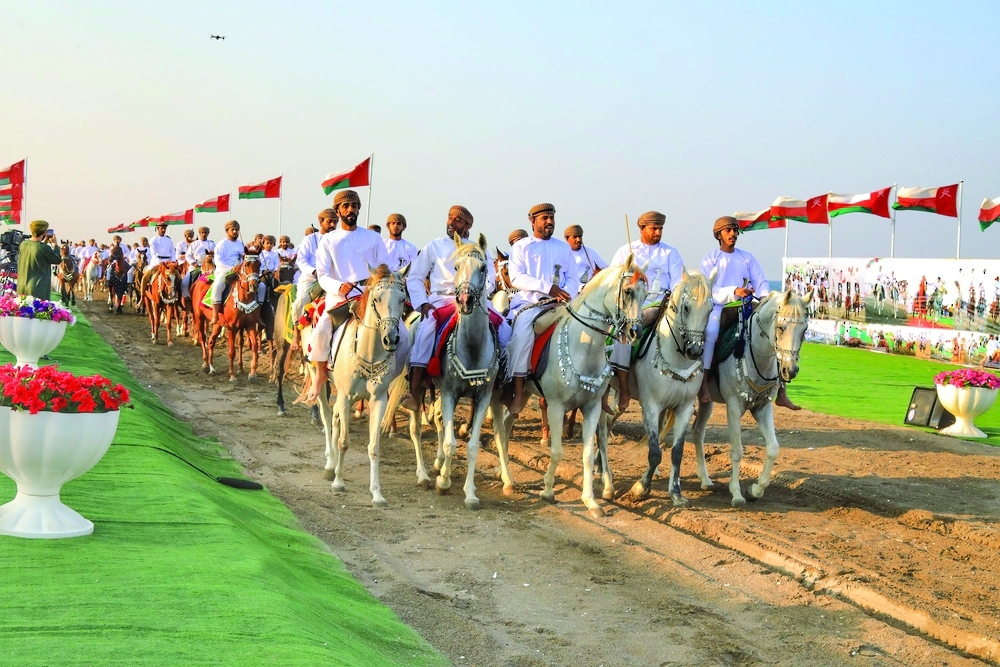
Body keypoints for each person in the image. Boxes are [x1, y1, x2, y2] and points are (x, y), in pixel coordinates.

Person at [404, 205, 503, 411]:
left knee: (506, 330)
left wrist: (475, 293)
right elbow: (415, 277)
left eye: (457, 220)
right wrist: (423, 303)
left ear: (467, 225)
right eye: (449, 217)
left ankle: (502, 383)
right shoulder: (434, 246)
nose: (451, 222)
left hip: (474, 300)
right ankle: (414, 393)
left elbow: (490, 280)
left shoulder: (478, 249)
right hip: (441, 300)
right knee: (424, 332)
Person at [699, 215, 799, 410]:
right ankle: (704, 385)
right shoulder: (710, 259)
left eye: (735, 230)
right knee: (710, 331)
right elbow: (708, 289)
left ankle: (781, 390)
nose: (733, 234)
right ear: (718, 235)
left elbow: (760, 281)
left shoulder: (747, 257)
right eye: (728, 230)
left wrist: (765, 301)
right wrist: (734, 291)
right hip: (719, 307)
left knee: (773, 332)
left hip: (747, 305)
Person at [306, 190, 394, 401]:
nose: (350, 210)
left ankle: (397, 376)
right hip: (340, 298)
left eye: (354, 206)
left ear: (358, 209)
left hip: (370, 296)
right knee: (321, 330)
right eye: (345, 206)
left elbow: (385, 268)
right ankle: (320, 374)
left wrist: (377, 284)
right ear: (337, 211)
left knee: (400, 330)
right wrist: (339, 287)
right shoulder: (329, 240)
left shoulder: (373, 238)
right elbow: (323, 275)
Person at [503, 203, 580, 416]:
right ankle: (519, 391)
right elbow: (516, 277)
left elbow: (572, 276)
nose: (549, 222)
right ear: (532, 221)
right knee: (521, 336)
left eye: (551, 218)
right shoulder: (522, 246)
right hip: (531, 304)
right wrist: (548, 288)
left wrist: (566, 293)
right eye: (544, 218)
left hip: (562, 304)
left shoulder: (563, 248)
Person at [608, 211, 684, 412]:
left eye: (660, 228)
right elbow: (614, 281)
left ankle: (687, 388)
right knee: (623, 336)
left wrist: (672, 299)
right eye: (653, 228)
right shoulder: (626, 251)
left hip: (665, 305)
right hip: (635, 307)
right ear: (641, 228)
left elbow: (678, 281)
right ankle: (624, 388)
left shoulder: (671, 253)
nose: (658, 232)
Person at [290, 211, 337, 349]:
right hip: (311, 279)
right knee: (300, 302)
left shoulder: (338, 239)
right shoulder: (310, 240)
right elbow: (301, 260)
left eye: (335, 222)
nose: (333, 225)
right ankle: (296, 334)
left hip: (332, 279)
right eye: (329, 221)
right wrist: (314, 271)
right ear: (321, 222)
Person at [210, 220, 245, 324]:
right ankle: (215, 315)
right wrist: (230, 268)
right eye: (232, 229)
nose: (235, 231)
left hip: (240, 271)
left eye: (237, 229)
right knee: (217, 286)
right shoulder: (221, 244)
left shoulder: (241, 244)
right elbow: (218, 261)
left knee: (258, 286)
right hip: (224, 271)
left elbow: (244, 259)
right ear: (227, 231)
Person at [17, 220, 61, 300]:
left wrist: (45, 242)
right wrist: (55, 245)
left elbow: (37, 251)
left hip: (22, 287)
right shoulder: (44, 248)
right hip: (38, 288)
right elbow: (57, 260)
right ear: (44, 233)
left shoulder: (23, 244)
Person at [140, 221, 177, 296]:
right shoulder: (153, 240)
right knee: (144, 278)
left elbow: (173, 252)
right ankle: (142, 297)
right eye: (162, 228)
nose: (163, 230)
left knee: (179, 280)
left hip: (168, 263)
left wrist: (173, 261)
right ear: (157, 228)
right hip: (156, 263)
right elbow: (153, 253)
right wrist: (159, 262)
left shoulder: (169, 240)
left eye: (164, 228)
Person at [181, 227, 215, 298]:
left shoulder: (212, 244)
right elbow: (188, 255)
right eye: (202, 233)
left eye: (205, 233)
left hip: (209, 267)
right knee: (184, 283)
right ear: (199, 233)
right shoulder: (194, 244)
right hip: (196, 266)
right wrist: (193, 263)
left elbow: (216, 255)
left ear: (208, 233)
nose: (204, 234)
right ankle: (187, 298)